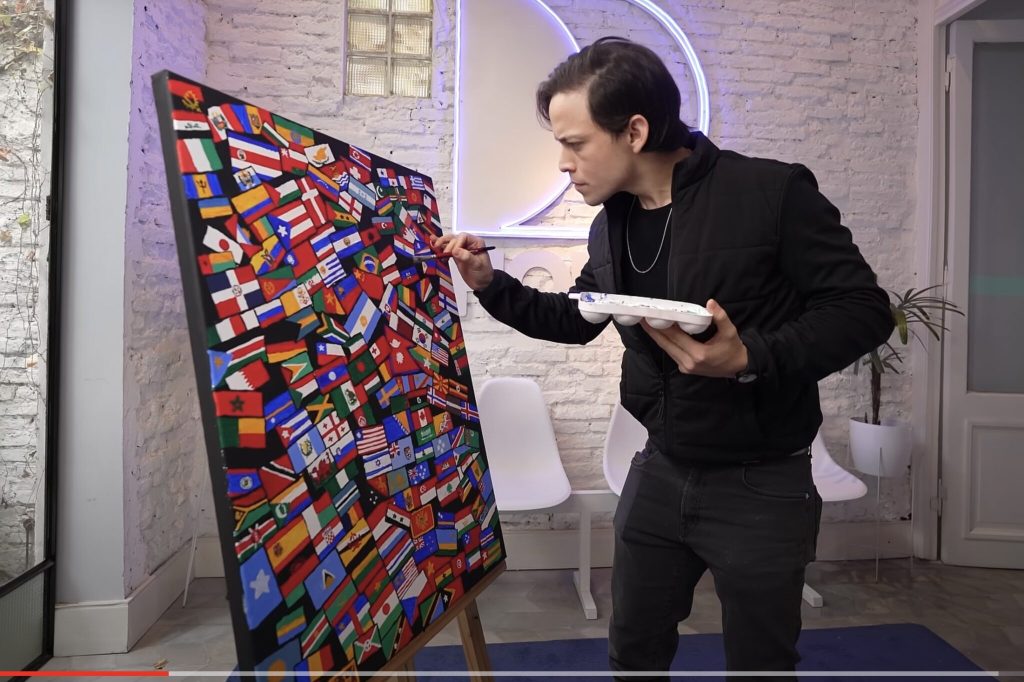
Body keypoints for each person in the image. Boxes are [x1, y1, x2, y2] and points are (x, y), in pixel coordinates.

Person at [433, 37, 894, 679]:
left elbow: (865, 309)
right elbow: (576, 319)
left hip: (762, 482)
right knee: (635, 654)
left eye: (575, 143)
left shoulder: (772, 192)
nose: (563, 164)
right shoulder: (612, 223)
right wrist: (489, 282)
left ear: (635, 131)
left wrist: (750, 356)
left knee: (761, 666)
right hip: (659, 469)